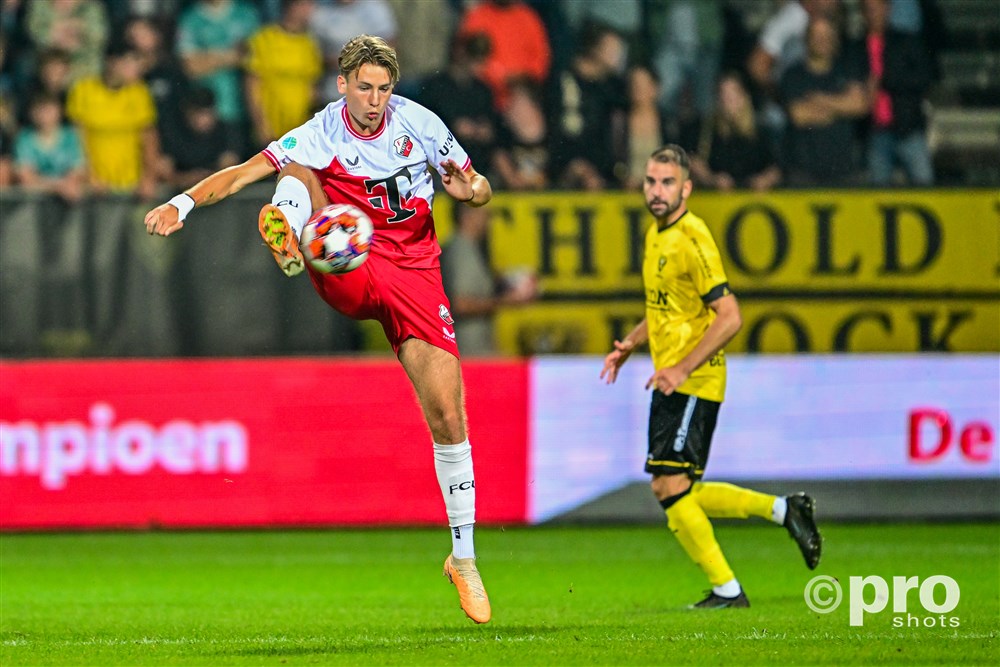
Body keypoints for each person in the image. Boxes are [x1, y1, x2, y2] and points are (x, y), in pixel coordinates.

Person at [143, 34, 493, 624]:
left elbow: (474, 183)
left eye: (383, 88)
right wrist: (182, 203)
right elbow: (239, 172)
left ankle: (464, 559)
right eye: (364, 87)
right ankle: (292, 227)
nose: (375, 100)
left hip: (417, 275)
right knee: (295, 167)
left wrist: (475, 190)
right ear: (342, 85)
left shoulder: (423, 125)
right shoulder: (323, 130)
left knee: (449, 417)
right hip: (350, 265)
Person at [600, 145, 822, 609]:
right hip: (670, 378)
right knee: (681, 487)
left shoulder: (692, 237)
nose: (656, 191)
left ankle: (728, 589)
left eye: (666, 183)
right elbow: (667, 306)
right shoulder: (655, 235)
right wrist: (632, 343)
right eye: (650, 181)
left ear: (686, 188)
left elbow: (730, 315)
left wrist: (683, 367)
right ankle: (784, 510)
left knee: (668, 484)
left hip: (693, 380)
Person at [779, 15, 870, 187]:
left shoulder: (847, 69)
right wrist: (842, 106)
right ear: (807, 39)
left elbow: (860, 105)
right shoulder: (793, 75)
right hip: (803, 172)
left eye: (827, 35)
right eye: (817, 36)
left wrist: (821, 100)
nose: (822, 40)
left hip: (844, 172)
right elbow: (799, 116)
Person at [440, 204, 537, 356]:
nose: (488, 220)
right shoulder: (462, 251)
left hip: (472, 349)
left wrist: (507, 281)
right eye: (483, 214)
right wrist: (508, 301)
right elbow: (461, 304)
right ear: (468, 217)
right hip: (469, 351)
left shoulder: (465, 248)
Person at [681, 72, 782, 191]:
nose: (728, 99)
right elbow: (690, 158)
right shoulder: (705, 128)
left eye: (733, 93)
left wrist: (765, 179)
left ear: (745, 95)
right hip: (716, 198)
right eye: (723, 93)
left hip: (754, 199)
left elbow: (777, 165)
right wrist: (711, 178)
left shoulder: (761, 129)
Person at [245, 0, 322, 146]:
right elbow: (252, 85)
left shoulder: (310, 43)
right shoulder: (263, 39)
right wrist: (261, 126)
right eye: (306, 4)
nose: (310, 9)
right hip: (269, 130)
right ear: (291, 6)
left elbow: (312, 86)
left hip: (299, 131)